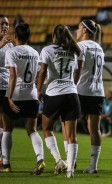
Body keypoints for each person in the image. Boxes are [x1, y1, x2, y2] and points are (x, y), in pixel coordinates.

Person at [37, 24, 81, 178]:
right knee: (72, 136)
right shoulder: (73, 51)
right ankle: (70, 170)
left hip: (54, 94)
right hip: (71, 94)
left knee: (46, 128)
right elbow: (76, 73)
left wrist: (37, 90)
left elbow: (42, 71)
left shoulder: (47, 50)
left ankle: (58, 160)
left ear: (54, 35)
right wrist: (71, 85)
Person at [1, 23, 45, 174]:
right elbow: (39, 75)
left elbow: (12, 76)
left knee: (7, 129)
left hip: (16, 94)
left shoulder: (11, 52)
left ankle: (6, 164)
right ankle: (40, 159)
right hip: (31, 95)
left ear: (15, 37)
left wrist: (10, 98)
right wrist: (38, 92)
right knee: (32, 130)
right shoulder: (35, 52)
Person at [75, 19, 105, 174]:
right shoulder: (99, 48)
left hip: (81, 90)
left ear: (85, 30)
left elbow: (77, 69)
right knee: (95, 129)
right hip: (97, 91)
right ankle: (93, 166)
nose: (76, 31)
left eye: (79, 28)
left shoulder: (80, 46)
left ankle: (70, 161)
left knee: (70, 125)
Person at [0, 14, 13, 168]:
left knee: (5, 124)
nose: (5, 26)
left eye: (7, 24)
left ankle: (5, 160)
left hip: (6, 87)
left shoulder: (10, 44)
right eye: (2, 23)